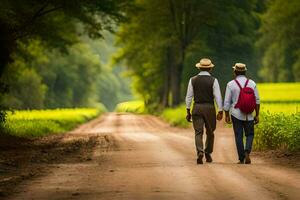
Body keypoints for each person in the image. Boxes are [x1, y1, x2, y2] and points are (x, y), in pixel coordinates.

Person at [185, 58, 223, 164]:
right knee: (210, 132)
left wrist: (188, 110)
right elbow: (218, 97)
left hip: (197, 107)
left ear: (199, 68)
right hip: (209, 108)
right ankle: (208, 153)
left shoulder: (192, 80)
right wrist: (220, 110)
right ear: (210, 68)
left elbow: (189, 97)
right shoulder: (214, 80)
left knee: (198, 132)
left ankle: (199, 152)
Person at [223, 63, 260, 164]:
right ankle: (247, 151)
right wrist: (257, 114)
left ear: (235, 72)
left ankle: (241, 158)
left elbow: (227, 102)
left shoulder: (231, 84)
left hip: (236, 114)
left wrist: (226, 115)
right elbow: (257, 100)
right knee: (250, 134)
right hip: (249, 114)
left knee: (238, 135)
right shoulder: (252, 83)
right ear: (245, 72)